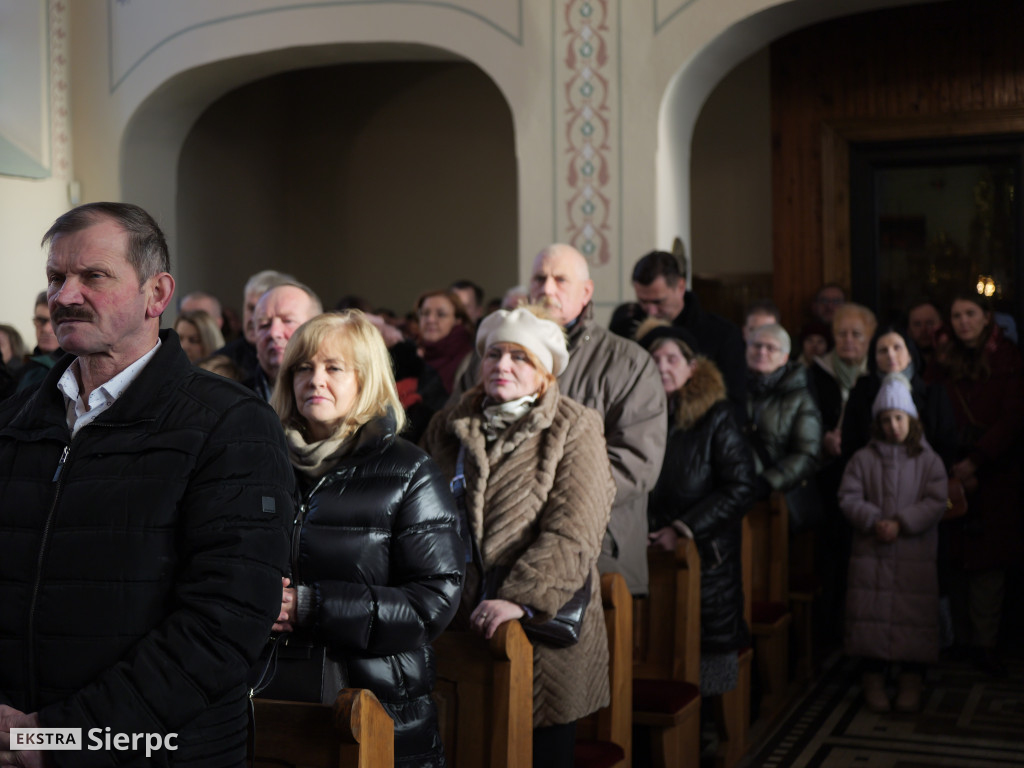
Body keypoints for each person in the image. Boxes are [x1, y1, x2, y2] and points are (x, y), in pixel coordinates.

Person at [0, 202, 294, 765]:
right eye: (56, 278)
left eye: (93, 276)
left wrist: (55, 738)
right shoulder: (16, 421)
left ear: (156, 294)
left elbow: (224, 623)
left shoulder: (229, 424)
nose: (65, 296)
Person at [423, 306, 615, 768]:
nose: (502, 365)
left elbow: (575, 529)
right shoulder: (448, 425)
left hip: (538, 630)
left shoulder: (573, 425)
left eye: (519, 357)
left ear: (545, 372)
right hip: (456, 627)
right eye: (493, 354)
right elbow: (422, 520)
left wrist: (520, 599)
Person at [270, 311, 463, 766]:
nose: (315, 379)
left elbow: (432, 601)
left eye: (334, 367)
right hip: (272, 698)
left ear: (366, 378)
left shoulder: (410, 472)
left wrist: (311, 605)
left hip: (377, 705)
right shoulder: (262, 461)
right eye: (303, 367)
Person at [452, 244, 666, 596]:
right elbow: (454, 433)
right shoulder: (490, 355)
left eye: (560, 280)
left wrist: (536, 500)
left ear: (586, 292)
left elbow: (636, 463)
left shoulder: (628, 363)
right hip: (488, 548)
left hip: (595, 551)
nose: (547, 289)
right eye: (540, 278)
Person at [640, 321, 755, 698]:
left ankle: (709, 725)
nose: (662, 367)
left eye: (671, 359)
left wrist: (683, 528)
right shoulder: (637, 416)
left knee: (705, 667)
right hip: (647, 554)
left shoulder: (716, 415)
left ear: (692, 368)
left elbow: (741, 486)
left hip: (706, 558)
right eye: (654, 359)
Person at [839, 375, 947, 713]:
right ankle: (872, 677)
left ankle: (911, 678)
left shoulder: (928, 460)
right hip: (872, 552)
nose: (893, 426)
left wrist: (902, 522)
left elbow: (936, 499)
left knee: (912, 616)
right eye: (886, 420)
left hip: (914, 551)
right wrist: (874, 520)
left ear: (911, 419)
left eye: (899, 418)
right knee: (870, 614)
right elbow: (848, 496)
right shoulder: (863, 459)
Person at [933, 293, 1024, 677]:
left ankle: (985, 644)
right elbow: (931, 409)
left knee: (989, 565)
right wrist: (950, 464)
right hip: (949, 469)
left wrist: (978, 459)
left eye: (970, 313)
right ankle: (961, 640)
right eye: (956, 315)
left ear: (987, 316)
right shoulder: (942, 360)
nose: (963, 321)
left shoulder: (1009, 359)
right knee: (955, 559)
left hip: (996, 473)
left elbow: (1013, 417)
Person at [807, 302, 876, 644]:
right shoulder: (815, 373)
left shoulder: (877, 374)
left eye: (856, 334)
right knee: (830, 559)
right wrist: (823, 439)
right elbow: (805, 419)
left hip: (869, 482)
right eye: (842, 333)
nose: (848, 340)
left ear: (869, 338)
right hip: (827, 480)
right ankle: (830, 636)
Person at [631, 250, 747, 416]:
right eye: (643, 301)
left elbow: (735, 406)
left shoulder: (723, 335)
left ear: (680, 287)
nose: (650, 311)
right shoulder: (627, 328)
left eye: (658, 302)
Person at [841, 324, 956, 468]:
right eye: (883, 350)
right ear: (874, 358)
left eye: (897, 348)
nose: (890, 355)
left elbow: (947, 446)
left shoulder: (934, 394)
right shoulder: (860, 394)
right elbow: (850, 446)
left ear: (910, 355)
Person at [744, 323, 823, 529]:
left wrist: (768, 482)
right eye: (756, 345)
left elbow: (807, 454)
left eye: (771, 348)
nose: (762, 352)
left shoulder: (800, 397)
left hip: (776, 499)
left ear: (784, 357)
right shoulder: (730, 389)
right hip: (734, 494)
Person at [213, 269, 296, 380]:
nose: (253, 318)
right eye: (251, 308)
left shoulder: (300, 361)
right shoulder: (221, 361)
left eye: (262, 310)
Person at [249, 282, 323, 400]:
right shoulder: (234, 399)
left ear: (317, 329)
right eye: (264, 324)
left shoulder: (337, 400)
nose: (274, 333)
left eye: (288, 321)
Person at [416, 290, 474, 394]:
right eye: (425, 313)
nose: (430, 320)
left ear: (457, 320)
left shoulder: (471, 361)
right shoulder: (412, 357)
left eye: (441, 314)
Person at [14, 292, 63, 394]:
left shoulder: (76, 369)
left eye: (55, 320)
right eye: (41, 320)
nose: (46, 329)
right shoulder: (22, 370)